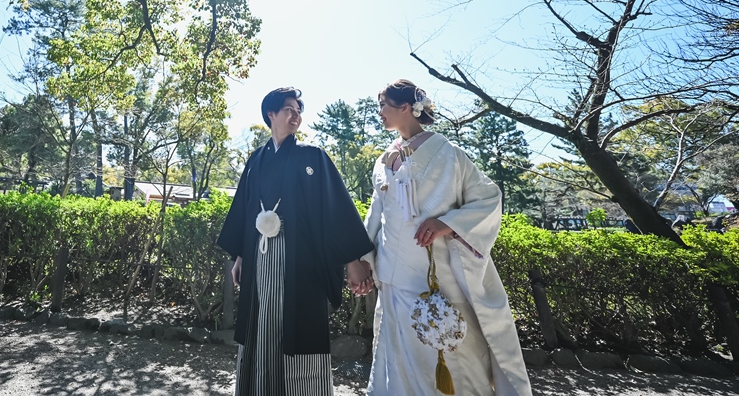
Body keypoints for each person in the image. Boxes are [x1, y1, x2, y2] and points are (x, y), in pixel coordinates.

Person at [360, 79, 531, 396]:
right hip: (393, 280)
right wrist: (362, 259)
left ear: (406, 108)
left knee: (451, 352)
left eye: (384, 104)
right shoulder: (384, 160)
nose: (379, 112)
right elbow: (376, 216)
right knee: (393, 360)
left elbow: (489, 199)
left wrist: (448, 223)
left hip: (436, 278)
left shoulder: (450, 154)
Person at [218, 87, 375, 396]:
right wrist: (240, 257)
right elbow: (246, 209)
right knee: (261, 322)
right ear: (271, 114)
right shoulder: (255, 161)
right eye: (289, 109)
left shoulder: (312, 157)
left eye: (298, 110)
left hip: (300, 259)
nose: (296, 114)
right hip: (260, 255)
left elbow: (335, 209)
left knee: (298, 328)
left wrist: (353, 259)